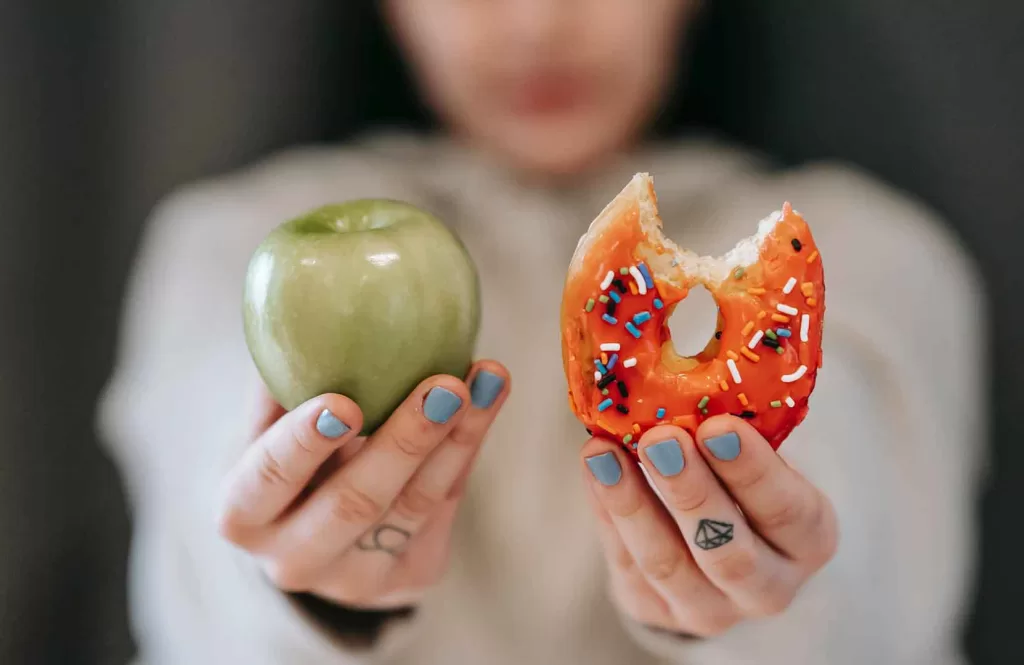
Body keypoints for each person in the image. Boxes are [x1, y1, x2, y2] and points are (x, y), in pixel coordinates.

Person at [97, 1, 987, 663]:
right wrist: (299, 585)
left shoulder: (876, 250)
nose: (537, 23)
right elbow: (196, 560)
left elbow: (869, 545)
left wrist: (758, 589)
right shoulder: (223, 241)